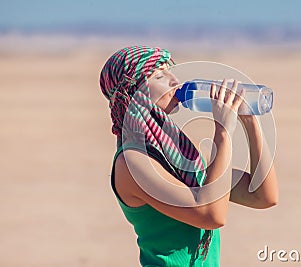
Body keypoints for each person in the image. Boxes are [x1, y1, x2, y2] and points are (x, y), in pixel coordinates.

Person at [100, 45, 278, 267]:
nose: (174, 80)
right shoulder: (132, 161)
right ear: (133, 91)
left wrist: (250, 120)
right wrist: (223, 130)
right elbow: (211, 215)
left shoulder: (181, 155)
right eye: (159, 75)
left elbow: (263, 195)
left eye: (170, 71)